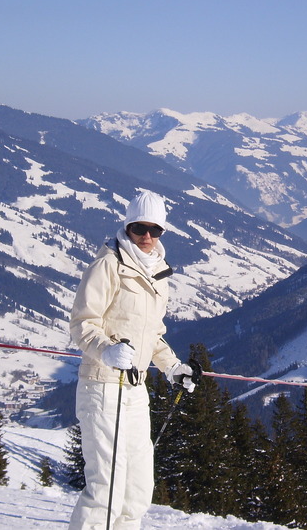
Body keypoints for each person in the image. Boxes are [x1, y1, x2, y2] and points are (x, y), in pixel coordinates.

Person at [68, 190, 197, 530]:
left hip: (135, 390)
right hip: (102, 385)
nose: (147, 237)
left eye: (155, 230)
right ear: (127, 226)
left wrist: (172, 367)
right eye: (140, 228)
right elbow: (82, 324)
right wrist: (106, 349)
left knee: (137, 489)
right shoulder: (108, 264)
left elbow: (150, 334)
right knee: (106, 488)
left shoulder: (158, 273)